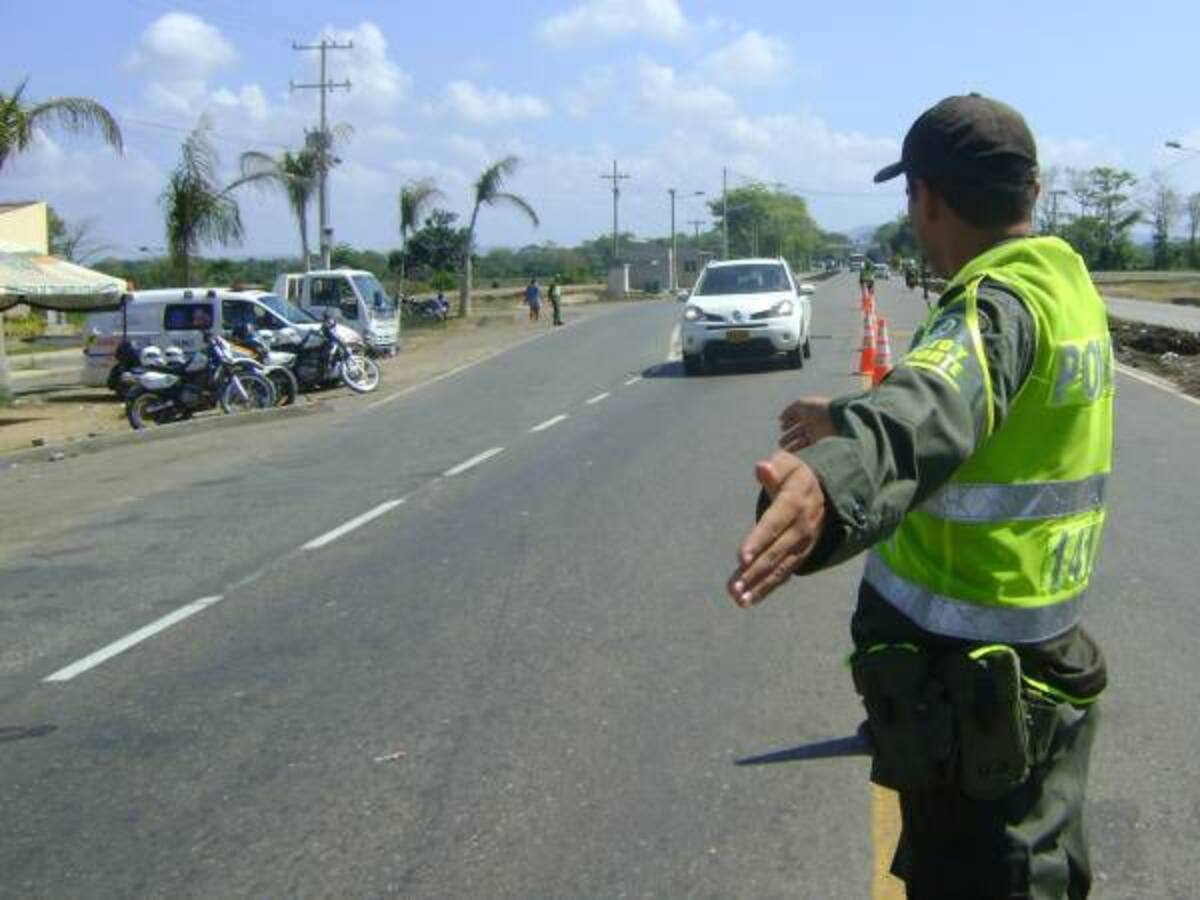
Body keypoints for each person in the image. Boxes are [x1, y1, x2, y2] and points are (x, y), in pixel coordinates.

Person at [727, 94, 1112, 899]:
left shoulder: (990, 307)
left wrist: (831, 483)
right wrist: (844, 416)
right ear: (1032, 193)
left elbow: (931, 408)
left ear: (926, 199)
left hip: (979, 707)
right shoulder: (1066, 290)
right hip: (1046, 678)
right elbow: (970, 408)